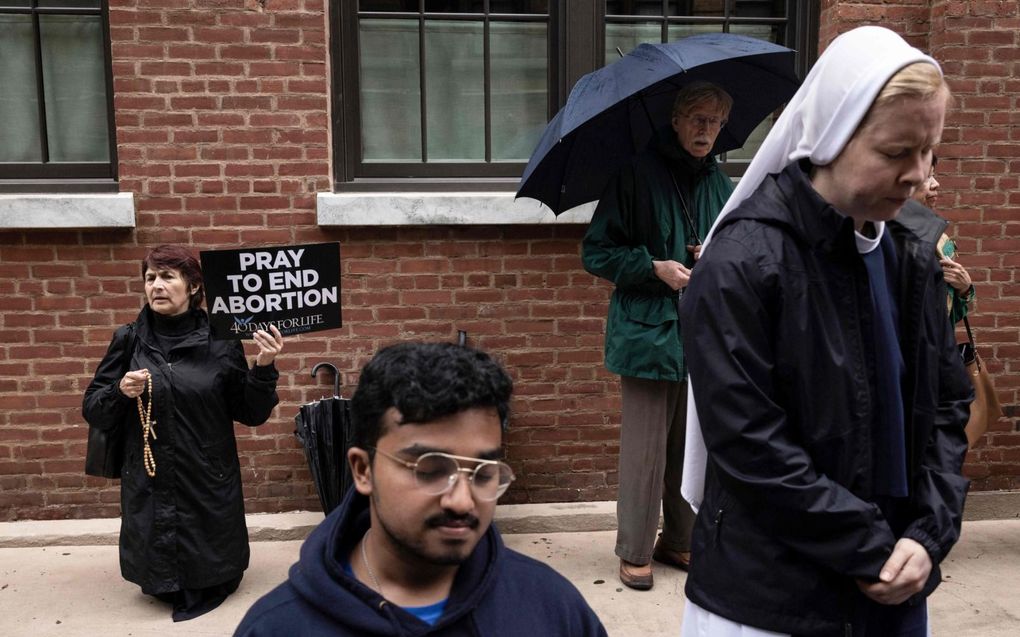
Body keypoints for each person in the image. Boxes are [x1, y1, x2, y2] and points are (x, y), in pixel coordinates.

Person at [677, 27, 972, 636]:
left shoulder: (912, 258)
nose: (918, 176)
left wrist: (927, 535)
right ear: (832, 135)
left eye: (930, 153)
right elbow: (750, 441)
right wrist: (869, 549)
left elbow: (947, 406)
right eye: (896, 153)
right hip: (772, 600)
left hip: (895, 585)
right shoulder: (743, 265)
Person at [233, 342, 607, 636]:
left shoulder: (552, 609)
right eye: (429, 470)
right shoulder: (276, 627)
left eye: (482, 472)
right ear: (363, 470)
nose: (462, 502)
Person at [581, 81, 734, 590]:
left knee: (691, 447)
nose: (705, 130)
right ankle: (635, 549)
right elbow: (596, 253)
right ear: (675, 120)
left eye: (714, 121)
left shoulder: (721, 184)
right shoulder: (635, 175)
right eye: (696, 118)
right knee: (645, 449)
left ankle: (681, 540)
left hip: (701, 332)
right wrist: (654, 267)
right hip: (647, 332)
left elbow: (739, 250)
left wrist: (709, 262)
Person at [82, 244, 284, 622]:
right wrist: (119, 391)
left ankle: (211, 578)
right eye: (150, 278)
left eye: (167, 277)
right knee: (160, 571)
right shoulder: (129, 339)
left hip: (207, 471)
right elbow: (92, 407)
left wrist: (263, 367)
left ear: (192, 286)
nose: (156, 286)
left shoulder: (221, 340)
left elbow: (251, 413)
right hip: (150, 471)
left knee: (213, 569)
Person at [901, 153, 975, 324]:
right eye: (927, 177)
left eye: (934, 176)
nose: (936, 184)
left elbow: (948, 318)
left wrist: (963, 289)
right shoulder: (884, 240)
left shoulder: (941, 239)